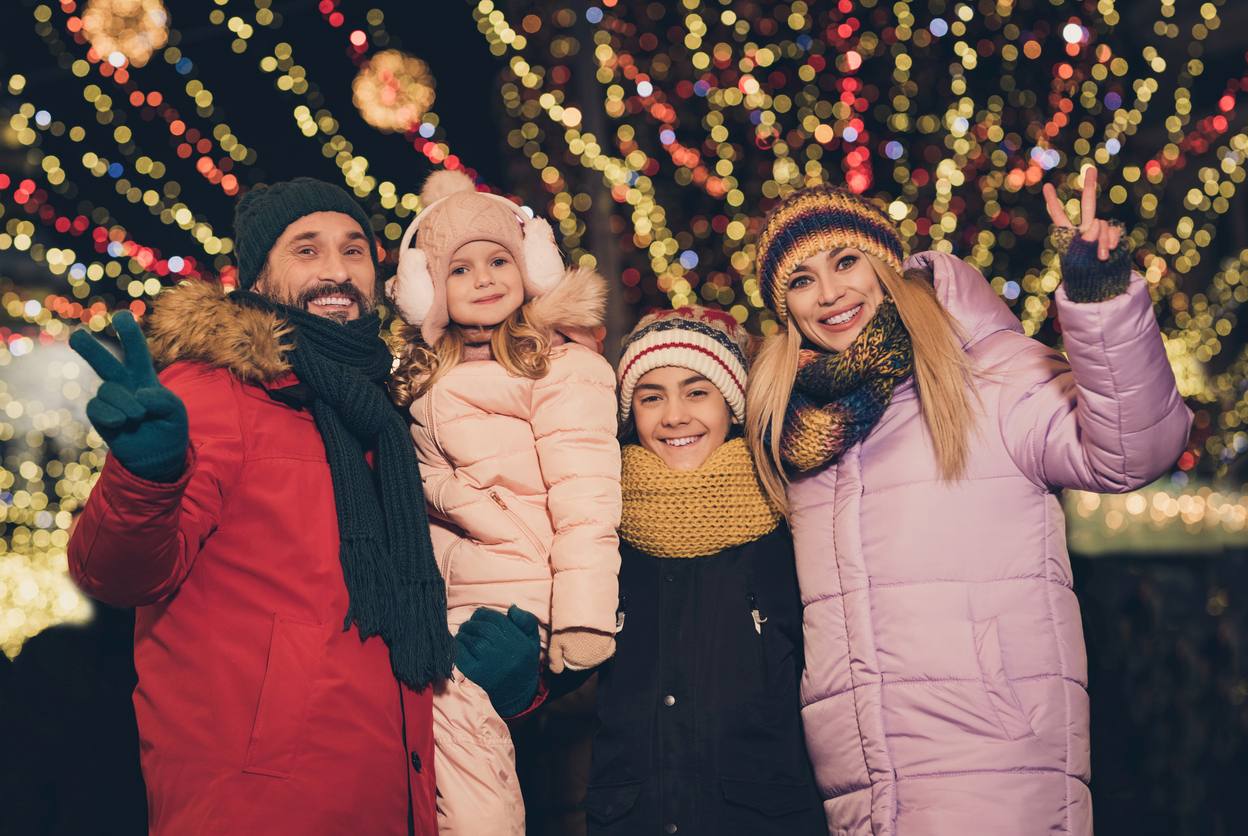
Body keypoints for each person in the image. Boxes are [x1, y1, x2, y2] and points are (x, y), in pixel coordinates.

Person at [745, 171, 1192, 835]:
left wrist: (1101, 305)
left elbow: (1133, 452)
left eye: (846, 261)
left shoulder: (987, 375)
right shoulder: (801, 433)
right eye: (801, 279)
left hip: (998, 765)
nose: (830, 293)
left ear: (886, 268)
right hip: (859, 792)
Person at [66, 178, 453, 835]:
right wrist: (145, 475)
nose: (336, 270)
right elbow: (118, 574)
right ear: (258, 275)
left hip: (392, 803)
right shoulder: (215, 393)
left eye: (354, 249)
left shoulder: (385, 417)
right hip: (259, 807)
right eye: (306, 250)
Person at [387, 170, 622, 835]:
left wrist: (583, 619)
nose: (486, 277)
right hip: (450, 602)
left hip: (524, 604)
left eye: (499, 260)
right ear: (428, 288)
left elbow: (587, 497)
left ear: (531, 267)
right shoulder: (424, 376)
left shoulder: (559, 367)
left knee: (455, 721)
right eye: (460, 269)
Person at [575, 306, 825, 836]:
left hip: (763, 818)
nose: (673, 417)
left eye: (696, 392)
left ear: (730, 406)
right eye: (651, 397)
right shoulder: (599, 532)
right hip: (631, 818)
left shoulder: (787, 526)